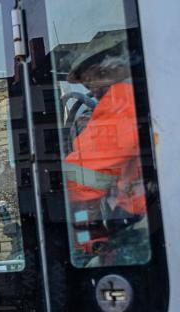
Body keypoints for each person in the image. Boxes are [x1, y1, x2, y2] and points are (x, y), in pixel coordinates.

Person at [61, 30, 147, 264]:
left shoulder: (121, 101)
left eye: (92, 80)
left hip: (143, 223)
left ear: (109, 68)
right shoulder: (146, 94)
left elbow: (80, 181)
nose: (92, 92)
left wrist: (87, 235)